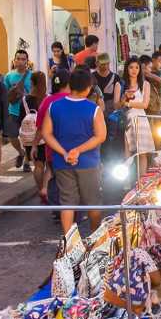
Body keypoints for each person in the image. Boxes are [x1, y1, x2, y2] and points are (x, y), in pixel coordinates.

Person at [42, 68, 106, 233]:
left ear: (70, 85)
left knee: (67, 202)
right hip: (89, 162)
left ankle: (68, 243)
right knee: (93, 201)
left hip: (62, 162)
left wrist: (64, 153)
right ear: (88, 88)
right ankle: (94, 238)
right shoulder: (93, 109)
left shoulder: (54, 106)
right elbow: (100, 136)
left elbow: (46, 134)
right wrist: (77, 150)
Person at [34, 69, 70, 203]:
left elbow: (40, 127)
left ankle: (54, 204)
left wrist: (34, 145)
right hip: (71, 148)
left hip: (52, 148)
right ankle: (66, 208)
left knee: (53, 174)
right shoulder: (73, 100)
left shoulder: (47, 101)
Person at [119, 57, 154, 178]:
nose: (134, 70)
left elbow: (145, 104)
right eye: (131, 67)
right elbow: (117, 104)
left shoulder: (145, 84)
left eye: (137, 67)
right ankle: (127, 181)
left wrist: (128, 103)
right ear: (126, 69)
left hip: (141, 119)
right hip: (127, 119)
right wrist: (124, 97)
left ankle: (142, 181)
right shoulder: (122, 84)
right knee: (127, 153)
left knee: (142, 153)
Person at [3, 49, 34, 171]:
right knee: (12, 135)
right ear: (14, 60)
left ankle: (26, 161)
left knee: (28, 137)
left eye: (23, 59)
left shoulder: (32, 75)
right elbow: (5, 93)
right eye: (18, 59)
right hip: (13, 110)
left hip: (28, 111)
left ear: (27, 61)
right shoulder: (9, 76)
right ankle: (21, 152)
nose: (20, 61)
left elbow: (35, 92)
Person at [23, 71, 48, 194]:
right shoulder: (47, 98)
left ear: (31, 83)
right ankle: (46, 189)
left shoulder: (25, 100)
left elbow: (20, 120)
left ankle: (40, 190)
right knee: (49, 166)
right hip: (45, 136)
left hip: (29, 138)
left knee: (37, 166)